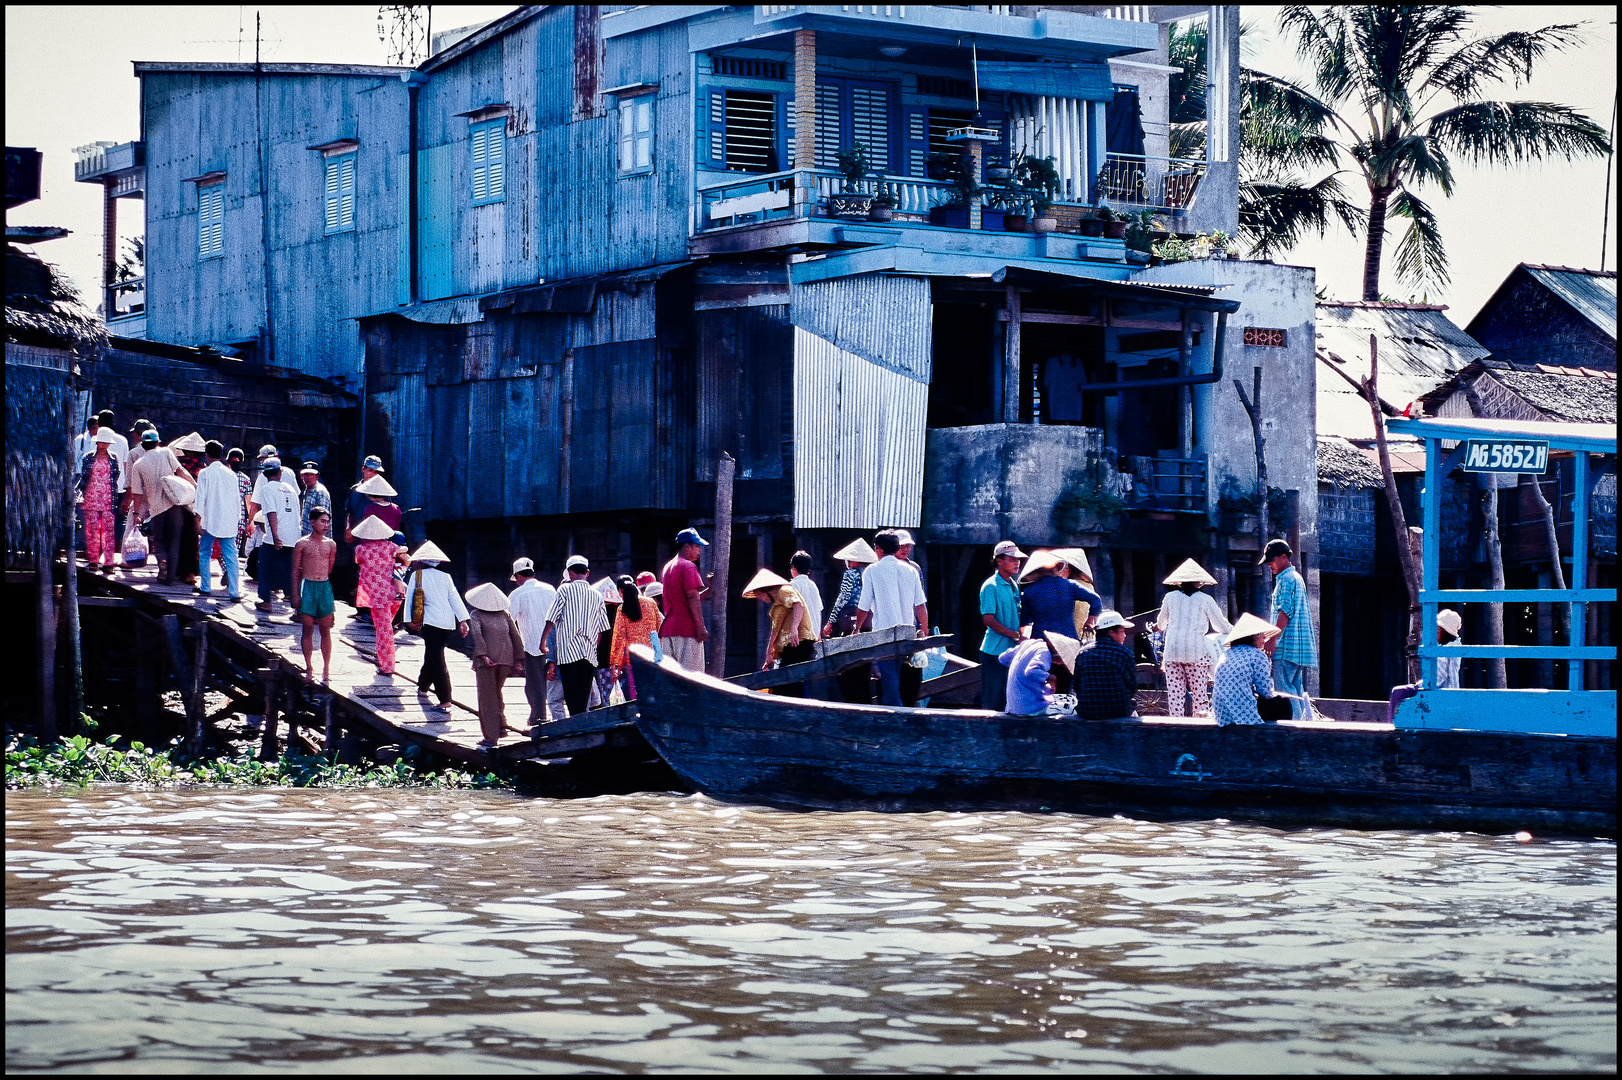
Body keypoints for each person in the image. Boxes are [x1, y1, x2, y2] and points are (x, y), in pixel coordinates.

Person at [855, 530, 929, 707]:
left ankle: (899, 722)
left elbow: (863, 606)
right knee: (897, 679)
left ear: (878, 549)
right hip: (907, 632)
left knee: (889, 684)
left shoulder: (871, 571)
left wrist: (856, 628)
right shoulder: (911, 570)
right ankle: (901, 717)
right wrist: (924, 629)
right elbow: (920, 605)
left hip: (884, 635)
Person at [1018, 550, 1104, 695]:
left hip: (1041, 642)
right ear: (1054, 568)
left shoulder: (1029, 592)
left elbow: (1024, 621)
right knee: (1065, 686)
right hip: (1067, 641)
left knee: (1042, 685)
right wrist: (1090, 620)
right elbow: (1095, 600)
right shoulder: (1069, 585)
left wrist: (1020, 639)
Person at [1153, 558, 1232, 717]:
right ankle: (1200, 727)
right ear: (1199, 582)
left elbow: (1161, 624)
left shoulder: (1170, 597)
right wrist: (1235, 632)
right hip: (1196, 654)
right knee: (1200, 696)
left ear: (1179, 582)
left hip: (1172, 652)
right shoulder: (1205, 600)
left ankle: (1176, 726)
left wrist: (1158, 626)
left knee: (1175, 698)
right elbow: (1220, 626)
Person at [402, 541, 469, 712]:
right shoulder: (445, 577)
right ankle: (423, 686)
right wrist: (463, 620)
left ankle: (445, 698)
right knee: (433, 653)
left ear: (422, 561)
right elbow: (454, 598)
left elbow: (409, 599)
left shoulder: (417, 575)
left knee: (436, 658)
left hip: (430, 622)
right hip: (447, 622)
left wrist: (408, 620)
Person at [544, 555, 611, 716]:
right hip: (588, 655)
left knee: (572, 696)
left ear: (570, 573)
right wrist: (595, 649)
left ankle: (574, 728)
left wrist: (542, 642)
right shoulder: (596, 595)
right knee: (583, 697)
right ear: (587, 573)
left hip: (568, 655)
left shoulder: (564, 589)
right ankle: (581, 724)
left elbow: (551, 618)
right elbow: (603, 628)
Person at [125, 428, 192, 584]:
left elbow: (137, 493)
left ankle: (162, 561)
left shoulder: (138, 464)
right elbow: (181, 472)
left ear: (143, 444)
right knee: (175, 540)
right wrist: (194, 486)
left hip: (156, 509)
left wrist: (136, 514)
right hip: (174, 504)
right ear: (157, 442)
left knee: (158, 540)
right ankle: (169, 579)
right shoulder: (167, 453)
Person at [465, 582, 526, 750]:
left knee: (487, 699)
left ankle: (491, 737)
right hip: (506, 659)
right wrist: (519, 660)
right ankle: (500, 727)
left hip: (487, 661)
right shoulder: (505, 614)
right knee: (496, 693)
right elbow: (515, 635)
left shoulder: (476, 614)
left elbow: (477, 635)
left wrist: (483, 655)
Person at [1262, 539, 1318, 719]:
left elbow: (1284, 613)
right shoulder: (1296, 578)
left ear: (1284, 557)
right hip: (1298, 648)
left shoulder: (1286, 579)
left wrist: (1271, 640)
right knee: (1296, 689)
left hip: (1286, 646)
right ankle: (1303, 722)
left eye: (1271, 560)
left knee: (1284, 689)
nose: (1269, 564)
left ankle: (1294, 726)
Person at [741, 568, 817, 695]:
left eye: (760, 595)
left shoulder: (784, 591)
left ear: (764, 590)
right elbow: (775, 630)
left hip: (799, 642)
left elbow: (798, 605)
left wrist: (794, 630)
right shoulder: (778, 604)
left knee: (787, 683)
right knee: (786, 684)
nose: (762, 599)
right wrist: (769, 653)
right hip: (790, 645)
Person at [508, 557, 560, 725]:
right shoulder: (550, 589)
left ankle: (539, 717)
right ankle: (555, 716)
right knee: (554, 682)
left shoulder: (517, 594)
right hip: (554, 642)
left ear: (518, 576)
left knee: (535, 683)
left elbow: (510, 620)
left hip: (532, 644)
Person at [290, 508, 338, 681]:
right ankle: (309, 666)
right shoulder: (302, 544)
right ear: (312, 522)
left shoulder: (331, 544)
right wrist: (295, 594)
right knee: (308, 628)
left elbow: (330, 568)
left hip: (324, 586)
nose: (325, 525)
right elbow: (295, 571)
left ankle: (326, 669)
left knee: (326, 629)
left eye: (327, 521)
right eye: (322, 521)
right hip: (307, 585)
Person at [976, 540, 1026, 711]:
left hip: (1011, 650)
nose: (1017, 562)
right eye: (1012, 559)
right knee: (992, 700)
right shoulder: (991, 586)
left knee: (1009, 699)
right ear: (999, 561)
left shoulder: (1013, 585)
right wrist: (1015, 635)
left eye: (1018, 559)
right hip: (994, 651)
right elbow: (988, 620)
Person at [192, 440, 243, 601]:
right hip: (228, 520)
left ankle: (206, 587)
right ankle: (234, 592)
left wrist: (197, 518)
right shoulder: (231, 474)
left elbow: (200, 499)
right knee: (231, 556)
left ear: (207, 455)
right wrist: (237, 518)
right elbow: (237, 499)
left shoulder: (205, 473)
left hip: (210, 520)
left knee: (205, 552)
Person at [1213, 613, 1285, 727]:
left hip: (1221, 714)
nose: (1264, 640)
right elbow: (1265, 691)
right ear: (1253, 637)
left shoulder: (1226, 654)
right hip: (1244, 713)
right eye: (1262, 636)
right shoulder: (1258, 655)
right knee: (1283, 703)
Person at [352, 516, 403, 675]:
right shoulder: (391, 546)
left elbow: (358, 561)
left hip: (376, 596)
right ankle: (385, 658)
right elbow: (404, 554)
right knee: (386, 627)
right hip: (394, 593)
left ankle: (388, 665)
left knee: (383, 630)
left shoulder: (361, 549)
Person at [350, 475, 402, 624]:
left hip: (372, 547)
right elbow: (395, 531)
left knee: (367, 579)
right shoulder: (396, 509)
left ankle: (365, 611)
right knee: (386, 580)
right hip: (389, 548)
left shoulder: (370, 508)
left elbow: (367, 530)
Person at [251, 458, 300, 614]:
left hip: (275, 536)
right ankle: (294, 600)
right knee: (290, 568)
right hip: (293, 535)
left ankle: (266, 601)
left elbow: (271, 512)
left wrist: (275, 535)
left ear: (265, 474)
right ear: (280, 472)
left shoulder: (266, 489)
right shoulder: (290, 489)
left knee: (265, 567)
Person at [659, 528, 711, 672]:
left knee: (671, 679)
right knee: (692, 679)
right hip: (687, 630)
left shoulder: (668, 566)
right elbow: (692, 598)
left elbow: (683, 598)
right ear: (687, 546)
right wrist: (701, 628)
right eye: (697, 546)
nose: (699, 550)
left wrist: (710, 590)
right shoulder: (688, 566)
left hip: (669, 630)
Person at [1071, 611, 1139, 720]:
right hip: (1119, 711)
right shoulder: (1124, 653)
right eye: (1122, 631)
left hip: (1087, 711)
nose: (1125, 635)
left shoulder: (1083, 653)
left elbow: (1077, 685)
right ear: (1111, 632)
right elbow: (1132, 686)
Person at [342, 454, 388, 616]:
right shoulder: (355, 490)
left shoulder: (382, 491)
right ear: (363, 470)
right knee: (356, 572)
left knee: (373, 573)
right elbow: (350, 512)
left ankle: (370, 610)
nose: (373, 474)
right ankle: (359, 609)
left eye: (376, 472)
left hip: (375, 538)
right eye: (370, 471)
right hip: (358, 536)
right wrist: (348, 529)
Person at [609, 574, 663, 700]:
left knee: (637, 694)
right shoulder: (650, 603)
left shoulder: (622, 609)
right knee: (653, 690)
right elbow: (660, 628)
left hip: (633, 659)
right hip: (653, 655)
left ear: (621, 591)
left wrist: (614, 665)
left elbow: (618, 638)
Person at [76, 429, 122, 573]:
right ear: (97, 442)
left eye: (107, 442)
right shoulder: (88, 457)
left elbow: (116, 477)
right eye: (102, 441)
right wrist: (77, 491)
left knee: (109, 532)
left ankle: (109, 563)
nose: (104, 445)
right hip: (91, 498)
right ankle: (93, 561)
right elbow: (83, 477)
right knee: (92, 531)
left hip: (108, 499)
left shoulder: (113, 458)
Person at [786, 551, 824, 638]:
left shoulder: (793, 585)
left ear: (794, 568)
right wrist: (819, 636)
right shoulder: (813, 585)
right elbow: (818, 610)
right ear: (809, 571)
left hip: (799, 635)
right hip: (814, 633)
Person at [297, 462, 332, 538]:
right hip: (306, 537)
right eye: (306, 474)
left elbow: (323, 520)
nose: (308, 477)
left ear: (317, 476)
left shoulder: (320, 492)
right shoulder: (306, 490)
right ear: (301, 476)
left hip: (317, 540)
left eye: (311, 475)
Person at [1435, 608, 1464, 689]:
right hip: (1450, 691)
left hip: (1443, 694)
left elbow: (1440, 677)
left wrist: (1417, 686)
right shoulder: (1455, 644)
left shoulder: (1450, 647)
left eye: (1438, 628)